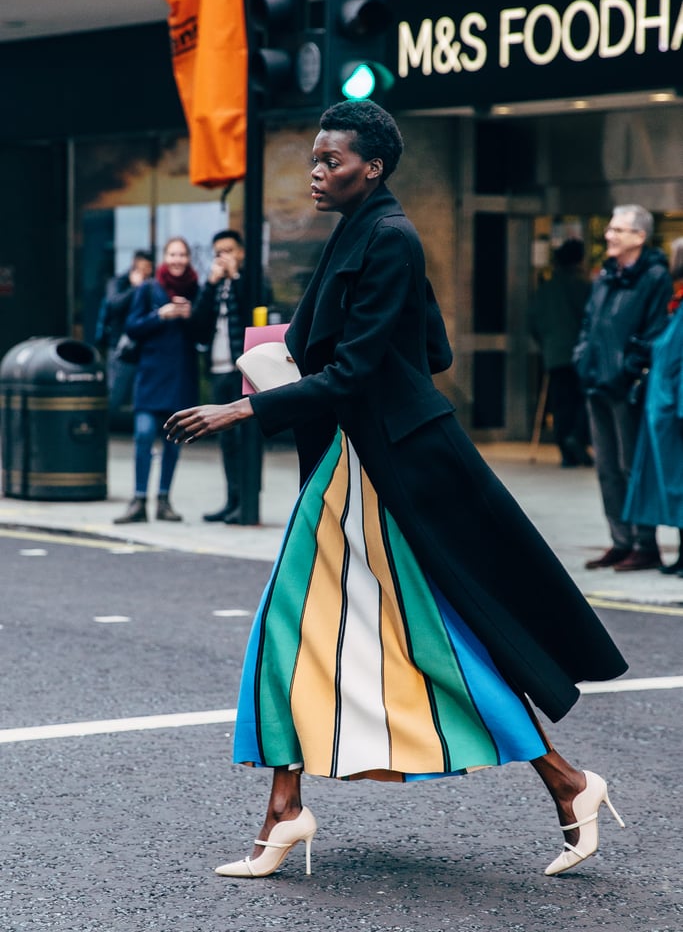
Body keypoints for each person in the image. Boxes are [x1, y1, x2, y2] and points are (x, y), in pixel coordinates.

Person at [165, 101, 627, 880]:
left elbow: (354, 372)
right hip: (355, 462)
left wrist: (243, 406)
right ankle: (289, 808)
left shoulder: (389, 237)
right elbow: (434, 350)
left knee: (343, 631)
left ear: (371, 167)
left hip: (378, 468)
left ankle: (567, 782)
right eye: (313, 159)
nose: (316, 172)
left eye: (330, 160)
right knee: (339, 633)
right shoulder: (367, 232)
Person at [573, 205, 672, 572]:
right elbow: (589, 324)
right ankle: (620, 540)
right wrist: (583, 358)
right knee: (607, 468)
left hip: (626, 387)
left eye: (618, 230)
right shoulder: (605, 276)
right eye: (610, 228)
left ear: (639, 237)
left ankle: (644, 544)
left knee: (632, 467)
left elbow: (655, 331)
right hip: (596, 381)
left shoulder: (655, 277)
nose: (609, 235)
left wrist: (627, 370)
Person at [114, 236, 200, 524]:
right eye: (172, 254)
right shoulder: (150, 289)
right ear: (165, 257)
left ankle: (163, 500)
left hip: (181, 376)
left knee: (174, 440)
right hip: (150, 375)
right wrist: (159, 315)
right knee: (142, 435)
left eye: (182, 255)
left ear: (188, 258)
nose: (177, 260)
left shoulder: (196, 288)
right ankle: (138, 500)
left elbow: (204, 333)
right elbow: (132, 327)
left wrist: (191, 316)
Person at [622, 237, 683, 575]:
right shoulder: (677, 303)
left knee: (679, 484)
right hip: (665, 410)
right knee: (673, 486)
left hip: (673, 411)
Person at [192, 230, 250, 524]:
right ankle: (231, 500)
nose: (222, 257)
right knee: (225, 439)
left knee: (243, 438)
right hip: (217, 370)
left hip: (243, 369)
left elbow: (256, 309)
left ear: (239, 252)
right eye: (217, 253)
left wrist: (236, 277)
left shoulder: (250, 279)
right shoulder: (213, 285)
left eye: (228, 251)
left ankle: (246, 501)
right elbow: (198, 324)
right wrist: (210, 283)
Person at [530, 239, 593, 467]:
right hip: (579, 354)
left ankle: (567, 453)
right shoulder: (582, 287)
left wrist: (546, 343)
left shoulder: (546, 289)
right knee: (582, 401)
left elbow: (533, 322)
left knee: (561, 405)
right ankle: (577, 439)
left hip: (554, 354)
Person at [95, 250, 154, 413]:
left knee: (140, 397)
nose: (145, 272)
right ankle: (103, 427)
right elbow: (114, 304)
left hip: (144, 349)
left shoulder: (152, 285)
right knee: (115, 393)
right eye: (141, 267)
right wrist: (136, 288)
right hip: (121, 348)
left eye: (148, 268)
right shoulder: (118, 282)